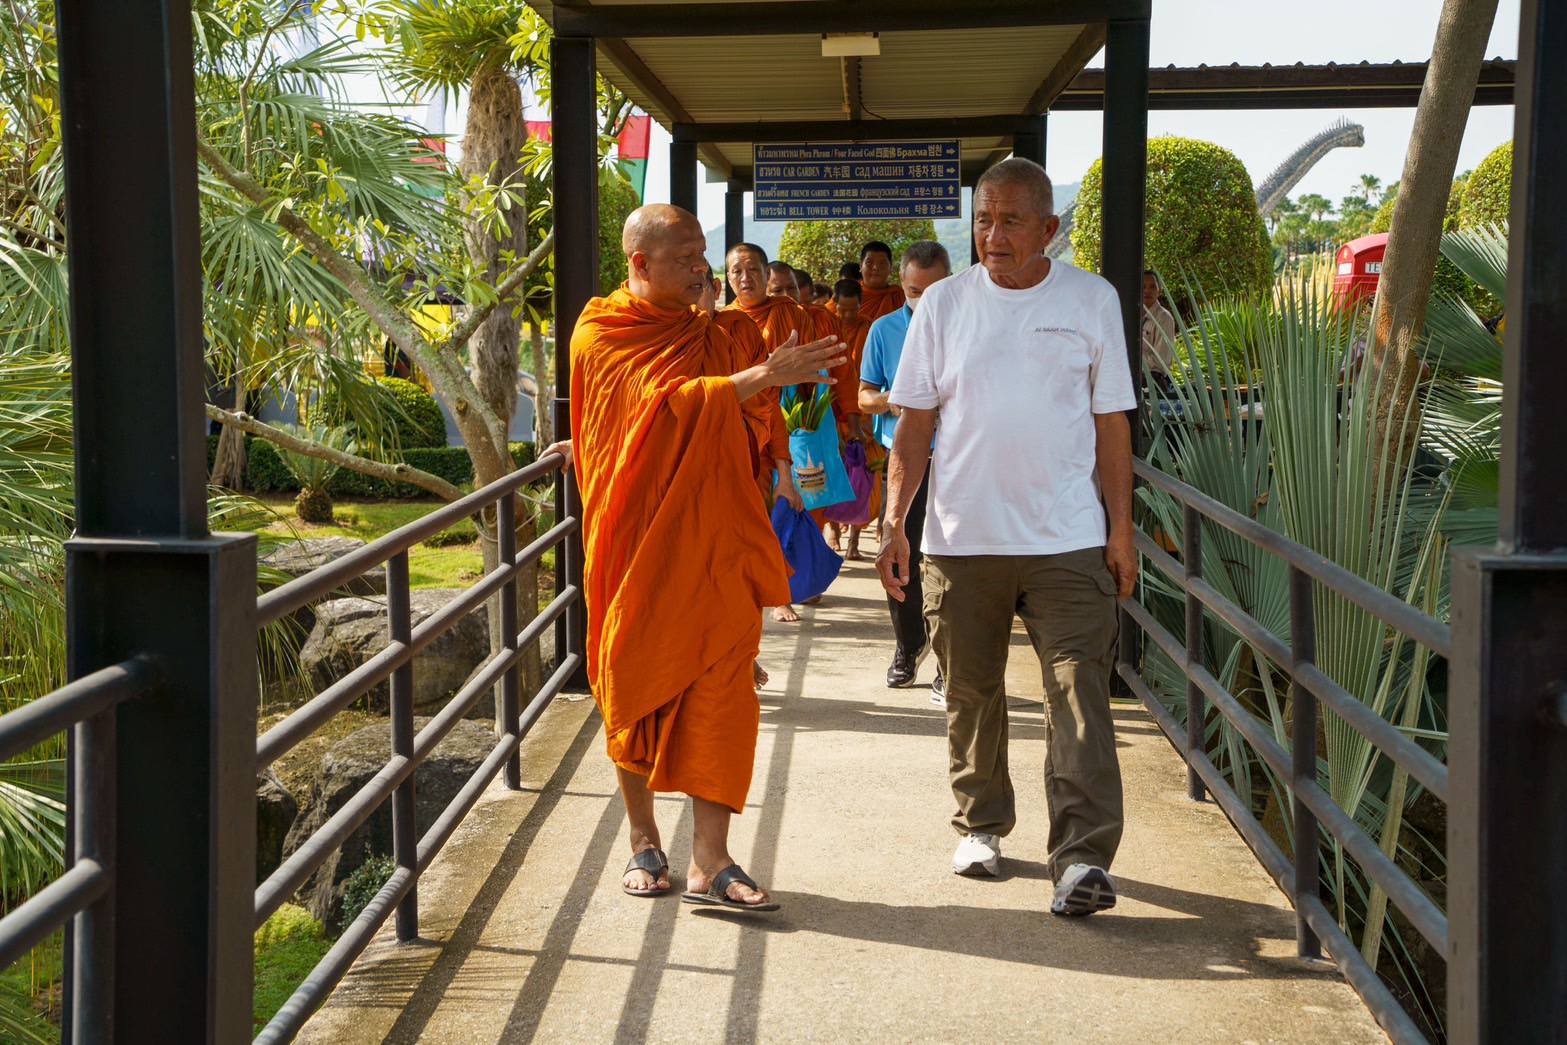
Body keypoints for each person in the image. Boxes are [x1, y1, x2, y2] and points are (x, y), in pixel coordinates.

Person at [877, 158, 1137, 918]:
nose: (992, 235)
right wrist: (895, 523)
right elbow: (914, 424)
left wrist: (1120, 529)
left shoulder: (1091, 299)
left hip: (1067, 538)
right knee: (970, 692)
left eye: (1011, 220)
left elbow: (1110, 422)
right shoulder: (944, 306)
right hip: (961, 538)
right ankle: (980, 825)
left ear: (1049, 229)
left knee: (1078, 693)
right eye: (983, 219)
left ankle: (1082, 857)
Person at [571, 204, 845, 911]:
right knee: (633, 680)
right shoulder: (601, 330)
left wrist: (773, 394)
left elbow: (752, 418)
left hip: (715, 538)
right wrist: (761, 376)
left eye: (704, 254)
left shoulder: (720, 334)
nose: (702, 268)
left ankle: (711, 859)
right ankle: (641, 839)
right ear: (639, 263)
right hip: (637, 544)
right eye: (687, 257)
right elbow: (650, 408)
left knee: (725, 686)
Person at [858, 242, 950, 697]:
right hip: (904, 461)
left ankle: (947, 662)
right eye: (915, 290)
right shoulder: (884, 330)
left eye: (933, 291)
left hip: (957, 464)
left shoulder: (968, 325)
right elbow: (863, 396)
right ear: (903, 285)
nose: (924, 300)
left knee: (952, 563)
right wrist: (897, 402)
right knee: (900, 555)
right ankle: (908, 646)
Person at [700, 270, 794, 689]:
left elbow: (765, 405)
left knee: (741, 573)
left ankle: (744, 653)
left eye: (697, 285)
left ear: (713, 289)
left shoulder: (737, 330)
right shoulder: (655, 338)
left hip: (741, 470)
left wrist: (784, 470)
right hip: (681, 479)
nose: (691, 296)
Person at [725, 244, 814, 623]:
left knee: (774, 517)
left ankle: (779, 593)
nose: (745, 279)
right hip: (729, 434)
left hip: (780, 421)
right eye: (737, 272)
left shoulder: (789, 314)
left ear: (766, 274)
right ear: (726, 279)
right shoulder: (721, 321)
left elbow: (808, 371)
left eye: (753, 271)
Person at [831, 278, 873, 560]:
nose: (847, 316)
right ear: (833, 304)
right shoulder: (823, 324)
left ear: (861, 305)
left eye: (852, 310)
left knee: (862, 475)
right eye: (841, 310)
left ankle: (854, 541)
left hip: (863, 410)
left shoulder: (869, 328)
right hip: (831, 411)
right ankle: (833, 531)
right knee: (834, 474)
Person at [1140, 270, 1177, 393]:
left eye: (1152, 287)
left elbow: (1161, 361)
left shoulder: (1164, 318)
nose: (1147, 291)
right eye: (1143, 286)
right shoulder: (1130, 315)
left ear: (1159, 291)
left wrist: (1131, 359)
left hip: (1153, 384)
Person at [858, 241, 906, 322]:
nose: (875, 268)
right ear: (860, 266)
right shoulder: (846, 294)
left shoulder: (900, 297)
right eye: (869, 262)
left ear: (890, 268)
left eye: (882, 263)